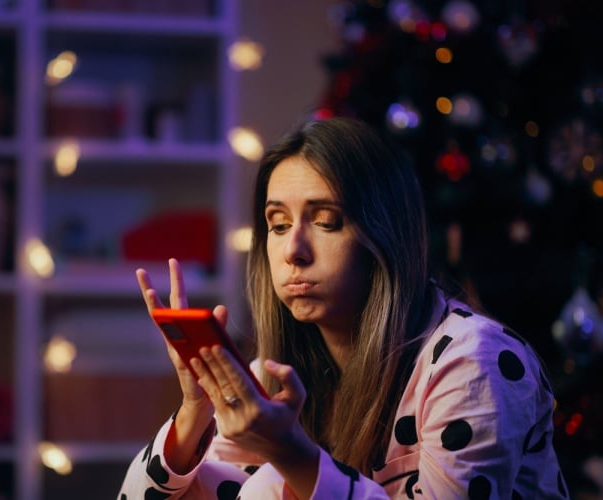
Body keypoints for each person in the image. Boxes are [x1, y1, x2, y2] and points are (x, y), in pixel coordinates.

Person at [117, 117, 567, 498]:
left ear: (382, 236)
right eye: (277, 224)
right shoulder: (272, 376)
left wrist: (292, 453)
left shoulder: (473, 360)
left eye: (327, 221)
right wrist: (195, 412)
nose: (293, 249)